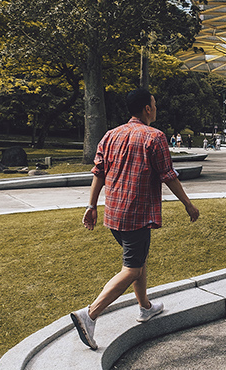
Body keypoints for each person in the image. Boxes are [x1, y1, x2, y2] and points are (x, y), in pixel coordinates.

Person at [70, 87, 200, 350]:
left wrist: (92, 205)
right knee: (131, 268)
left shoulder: (110, 135)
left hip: (114, 212)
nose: (155, 107)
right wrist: (188, 205)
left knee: (138, 260)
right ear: (147, 109)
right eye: (154, 103)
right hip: (136, 214)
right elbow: (168, 175)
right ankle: (90, 315)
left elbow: (99, 172)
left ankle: (145, 307)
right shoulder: (155, 137)